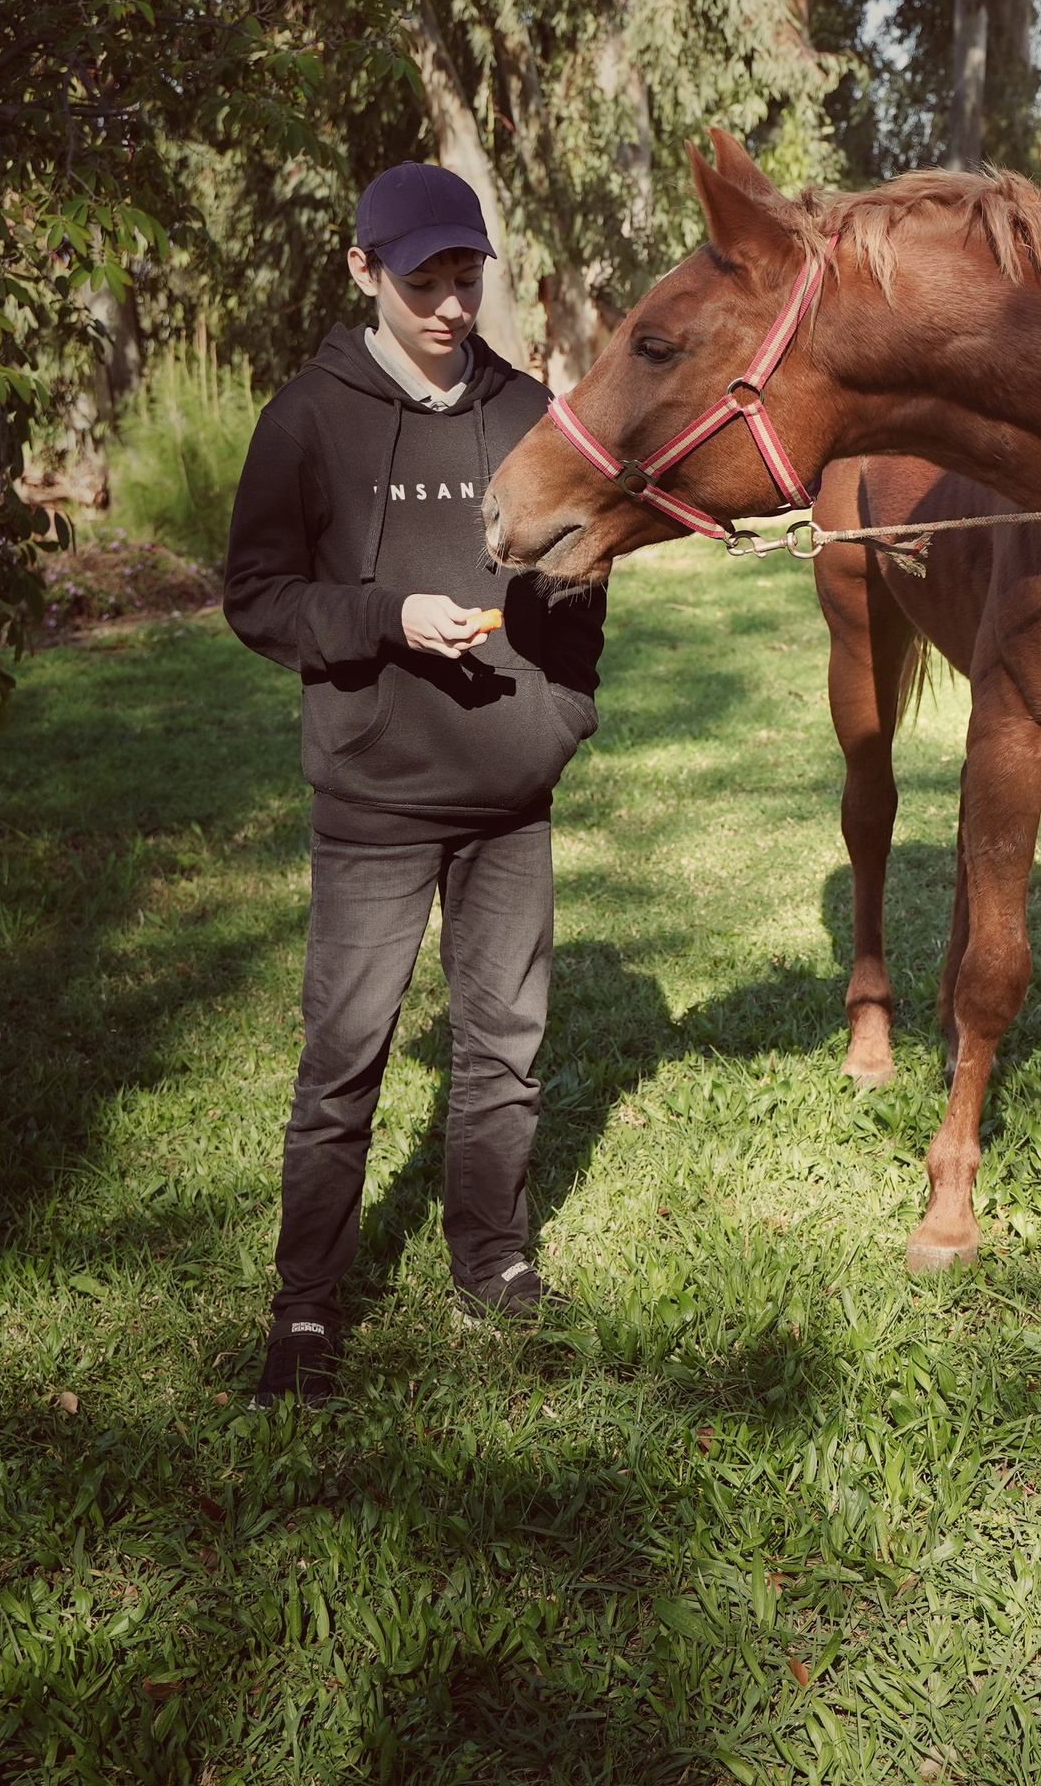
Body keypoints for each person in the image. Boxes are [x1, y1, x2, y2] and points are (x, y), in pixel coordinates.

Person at [223, 162, 608, 1410]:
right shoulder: (305, 418)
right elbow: (257, 598)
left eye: (465, 279)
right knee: (344, 1057)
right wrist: (387, 615)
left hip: (509, 797)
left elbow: (582, 573)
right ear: (362, 270)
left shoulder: (531, 410)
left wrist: (559, 716)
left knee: (505, 1047)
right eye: (422, 280)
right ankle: (305, 1303)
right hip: (375, 801)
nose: (449, 306)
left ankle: (493, 1261)